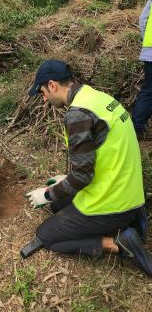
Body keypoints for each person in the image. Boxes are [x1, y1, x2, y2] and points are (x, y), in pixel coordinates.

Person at [25, 59, 152, 276]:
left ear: (53, 85)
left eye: (43, 92)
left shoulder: (78, 114)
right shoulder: (98, 98)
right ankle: (132, 220)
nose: (44, 98)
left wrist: (47, 194)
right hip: (128, 191)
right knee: (58, 206)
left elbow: (82, 177)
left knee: (46, 235)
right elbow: (103, 153)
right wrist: (65, 178)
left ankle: (117, 243)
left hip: (113, 201)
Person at [132, 0, 152, 140]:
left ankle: (137, 128)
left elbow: (143, 19)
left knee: (148, 90)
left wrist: (147, 42)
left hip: (150, 51)